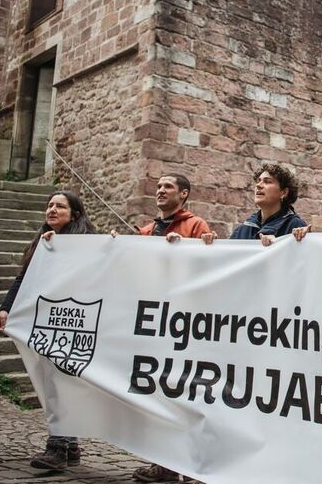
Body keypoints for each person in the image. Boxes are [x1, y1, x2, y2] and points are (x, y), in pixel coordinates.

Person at [0, 191, 96, 471]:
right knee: (52, 381)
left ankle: (59, 448)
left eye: (59, 206)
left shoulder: (87, 243)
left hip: (75, 322)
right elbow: (23, 279)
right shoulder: (42, 242)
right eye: (49, 205)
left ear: (74, 214)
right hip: (47, 322)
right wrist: (6, 308)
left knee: (63, 383)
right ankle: (70, 446)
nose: (51, 210)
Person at [131, 173, 210, 483]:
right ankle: (164, 465)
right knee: (159, 396)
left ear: (184, 194)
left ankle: (189, 464)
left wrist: (189, 247)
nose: (160, 191)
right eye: (159, 186)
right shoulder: (148, 231)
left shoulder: (195, 226)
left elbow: (208, 265)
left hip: (184, 323)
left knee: (185, 396)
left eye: (168, 187)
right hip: (154, 322)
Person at [230, 164, 306, 246]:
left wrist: (276, 244)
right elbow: (229, 256)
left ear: (283, 192)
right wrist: (215, 244)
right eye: (258, 181)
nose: (258, 185)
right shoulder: (242, 230)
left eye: (267, 181)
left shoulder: (295, 226)